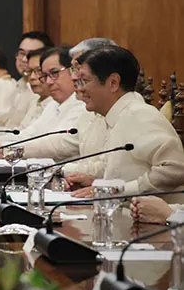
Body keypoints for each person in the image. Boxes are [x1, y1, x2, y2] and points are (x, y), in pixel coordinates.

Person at [68, 45, 184, 197]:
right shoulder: (114, 116)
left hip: (153, 218)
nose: (79, 89)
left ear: (113, 83)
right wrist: (98, 182)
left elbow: (175, 168)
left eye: (85, 81)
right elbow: (122, 168)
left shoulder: (139, 115)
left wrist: (120, 191)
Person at [0, 47, 86, 156]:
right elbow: (28, 134)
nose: (48, 82)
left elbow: (58, 144)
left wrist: (5, 150)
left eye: (54, 73)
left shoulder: (82, 104)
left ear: (73, 72)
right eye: (45, 76)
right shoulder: (54, 104)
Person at [6, 31, 53, 128]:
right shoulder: (19, 85)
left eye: (32, 54)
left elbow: (23, 134)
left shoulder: (42, 92)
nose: (24, 59)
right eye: (21, 53)